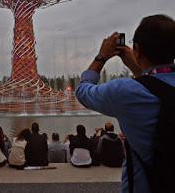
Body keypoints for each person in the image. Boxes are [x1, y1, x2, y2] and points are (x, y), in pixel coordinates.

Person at [75, 14, 175, 192]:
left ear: (137, 49)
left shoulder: (126, 91)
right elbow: (156, 84)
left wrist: (101, 57)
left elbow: (83, 92)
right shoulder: (138, 89)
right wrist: (138, 65)